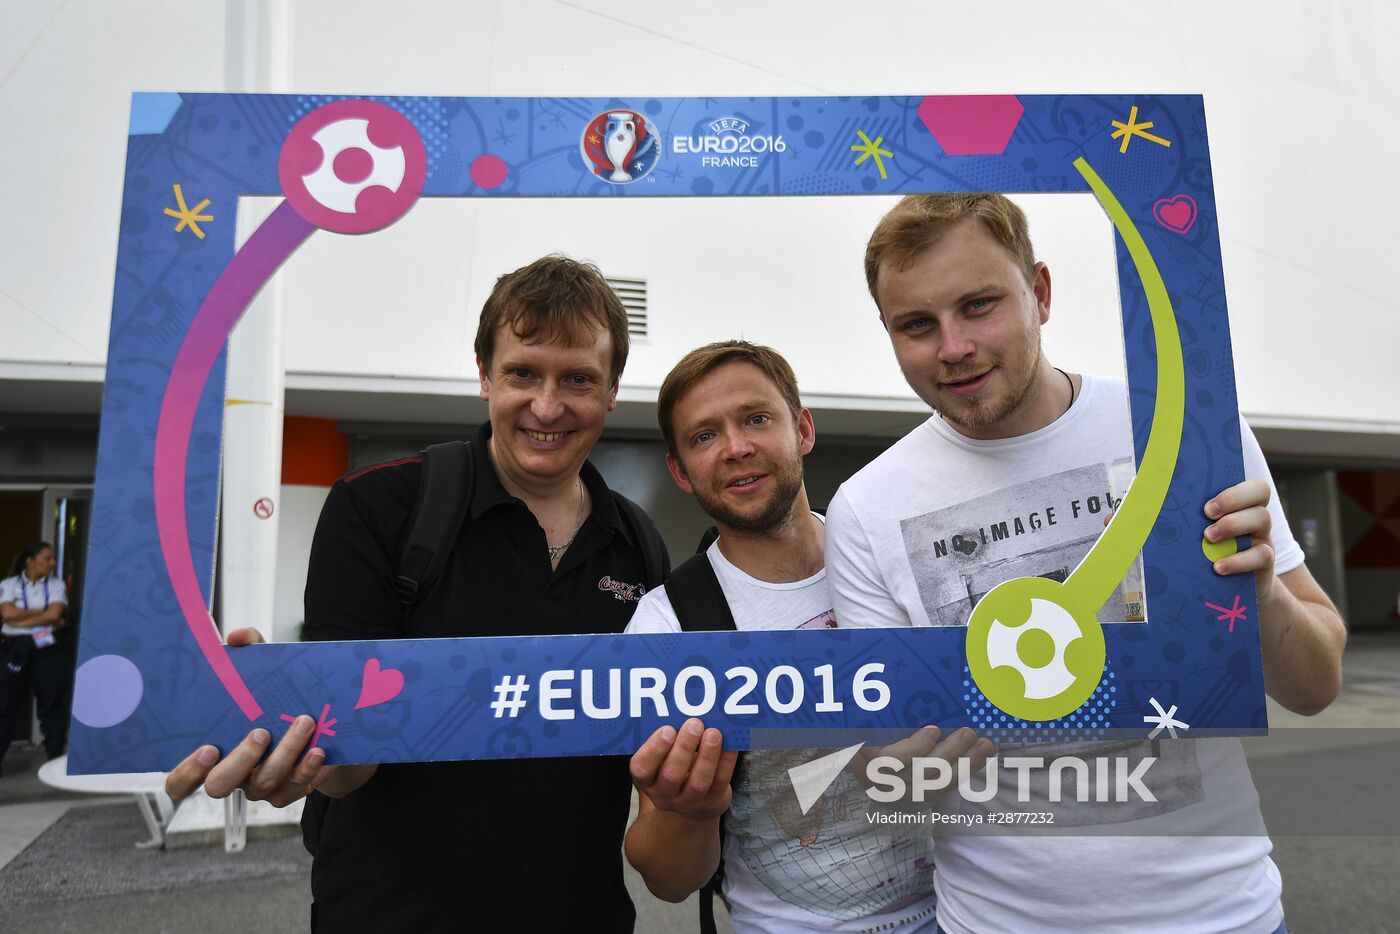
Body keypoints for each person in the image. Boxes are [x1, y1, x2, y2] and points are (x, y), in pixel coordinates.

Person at [824, 193, 1347, 934]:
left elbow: (1315, 687)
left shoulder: (1185, 431)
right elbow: (890, 781)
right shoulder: (864, 508)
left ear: (1039, 292)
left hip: (1222, 915)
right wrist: (893, 770)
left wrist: (1260, 588)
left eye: (979, 305)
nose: (953, 347)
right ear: (889, 332)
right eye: (917, 324)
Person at [165, 255, 669, 932]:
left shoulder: (638, 544)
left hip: (582, 913)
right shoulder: (380, 507)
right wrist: (297, 739)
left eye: (578, 379)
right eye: (523, 373)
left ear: (611, 392)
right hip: (391, 914)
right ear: (484, 375)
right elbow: (352, 757)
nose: (547, 405)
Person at [624, 340, 993, 932]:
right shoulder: (667, 626)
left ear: (802, 429)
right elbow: (668, 880)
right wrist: (686, 812)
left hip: (963, 917)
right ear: (680, 472)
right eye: (703, 436)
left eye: (756, 419)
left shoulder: (898, 555)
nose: (736, 447)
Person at [0, 541, 71, 766]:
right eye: (47, 558)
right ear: (30, 562)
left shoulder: (57, 585)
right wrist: (44, 615)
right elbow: (8, 615)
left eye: (53, 558)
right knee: (5, 703)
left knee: (52, 704)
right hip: (15, 648)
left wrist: (24, 617)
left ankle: (55, 761)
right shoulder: (8, 584)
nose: (53, 563)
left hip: (46, 648)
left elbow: (55, 616)